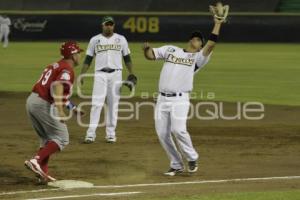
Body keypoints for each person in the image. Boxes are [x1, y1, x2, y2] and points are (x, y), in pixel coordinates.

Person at [142, 4, 228, 176]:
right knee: (162, 134)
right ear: (190, 40)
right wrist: (146, 50)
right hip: (162, 99)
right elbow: (151, 56)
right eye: (194, 38)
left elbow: (211, 45)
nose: (196, 39)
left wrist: (218, 23)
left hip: (180, 100)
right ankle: (176, 164)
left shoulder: (198, 58)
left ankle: (192, 157)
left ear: (200, 44)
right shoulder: (170, 49)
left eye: (199, 39)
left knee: (178, 130)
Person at [24, 41, 84, 182]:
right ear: (73, 55)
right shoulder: (67, 69)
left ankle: (42, 173)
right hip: (44, 104)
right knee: (62, 137)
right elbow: (58, 88)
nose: (80, 55)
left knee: (47, 140)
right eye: (78, 53)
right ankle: (36, 161)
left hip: (32, 101)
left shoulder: (57, 65)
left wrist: (72, 107)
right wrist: (60, 110)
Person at [80, 16, 137, 144]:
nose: (109, 26)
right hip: (100, 74)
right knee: (96, 104)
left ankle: (111, 134)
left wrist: (132, 73)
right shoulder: (95, 40)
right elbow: (88, 59)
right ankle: (90, 134)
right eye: (107, 24)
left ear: (114, 26)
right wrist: (82, 74)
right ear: (102, 25)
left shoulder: (121, 39)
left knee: (113, 105)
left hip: (116, 74)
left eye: (111, 24)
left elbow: (127, 58)